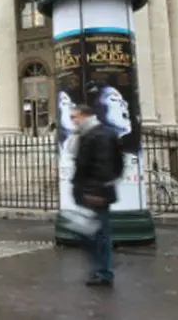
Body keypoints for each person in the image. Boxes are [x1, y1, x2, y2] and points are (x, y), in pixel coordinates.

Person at [69, 104, 120, 287]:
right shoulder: (90, 134)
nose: (72, 121)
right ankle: (100, 269)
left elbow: (106, 166)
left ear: (84, 116)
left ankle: (103, 271)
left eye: (74, 117)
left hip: (95, 194)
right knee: (92, 233)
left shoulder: (98, 135)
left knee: (97, 234)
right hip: (91, 192)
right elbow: (118, 166)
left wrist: (96, 191)